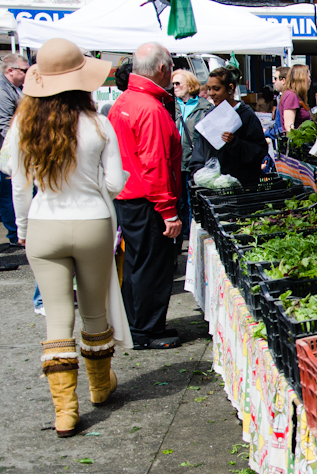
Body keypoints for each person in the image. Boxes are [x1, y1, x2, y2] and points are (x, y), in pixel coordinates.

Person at [9, 37, 127, 438]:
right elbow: (114, 181)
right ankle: (99, 387)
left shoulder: (24, 124)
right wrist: (96, 190)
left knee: (57, 318)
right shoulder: (99, 123)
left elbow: (20, 188)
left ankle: (65, 412)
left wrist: (23, 229)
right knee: (94, 313)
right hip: (92, 221)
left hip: (44, 224)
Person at [109, 42, 182, 350]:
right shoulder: (149, 107)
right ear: (162, 69)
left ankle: (136, 325)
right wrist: (169, 211)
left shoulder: (124, 100)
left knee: (138, 264)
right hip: (148, 199)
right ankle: (147, 331)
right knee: (152, 266)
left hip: (129, 197)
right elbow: (155, 163)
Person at [189, 67, 268, 186]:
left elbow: (259, 150)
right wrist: (199, 171)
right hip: (214, 189)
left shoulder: (247, 116)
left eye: (216, 89)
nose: (211, 94)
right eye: (209, 89)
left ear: (230, 88)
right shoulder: (210, 115)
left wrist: (235, 143)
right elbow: (200, 150)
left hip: (242, 188)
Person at [0, 53, 29, 248]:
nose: (27, 74)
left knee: (14, 191)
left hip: (14, 151)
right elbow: (5, 128)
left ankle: (16, 231)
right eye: (24, 70)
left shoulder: (13, 88)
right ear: (10, 71)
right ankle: (13, 234)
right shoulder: (0, 91)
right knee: (10, 193)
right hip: (7, 153)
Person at [172, 69, 212, 248]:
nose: (174, 87)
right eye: (173, 84)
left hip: (194, 160)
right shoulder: (171, 105)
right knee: (177, 201)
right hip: (174, 161)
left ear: (189, 85)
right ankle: (178, 239)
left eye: (178, 83)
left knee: (192, 201)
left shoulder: (204, 107)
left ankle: (193, 238)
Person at [281, 64, 311, 133]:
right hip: (297, 142)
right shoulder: (291, 96)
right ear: (302, 78)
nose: (310, 80)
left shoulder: (295, 95)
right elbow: (289, 126)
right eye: (308, 76)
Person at [265, 66, 289, 140]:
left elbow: (284, 129)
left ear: (283, 81)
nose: (273, 81)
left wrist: (266, 132)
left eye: (276, 79)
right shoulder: (281, 97)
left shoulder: (288, 98)